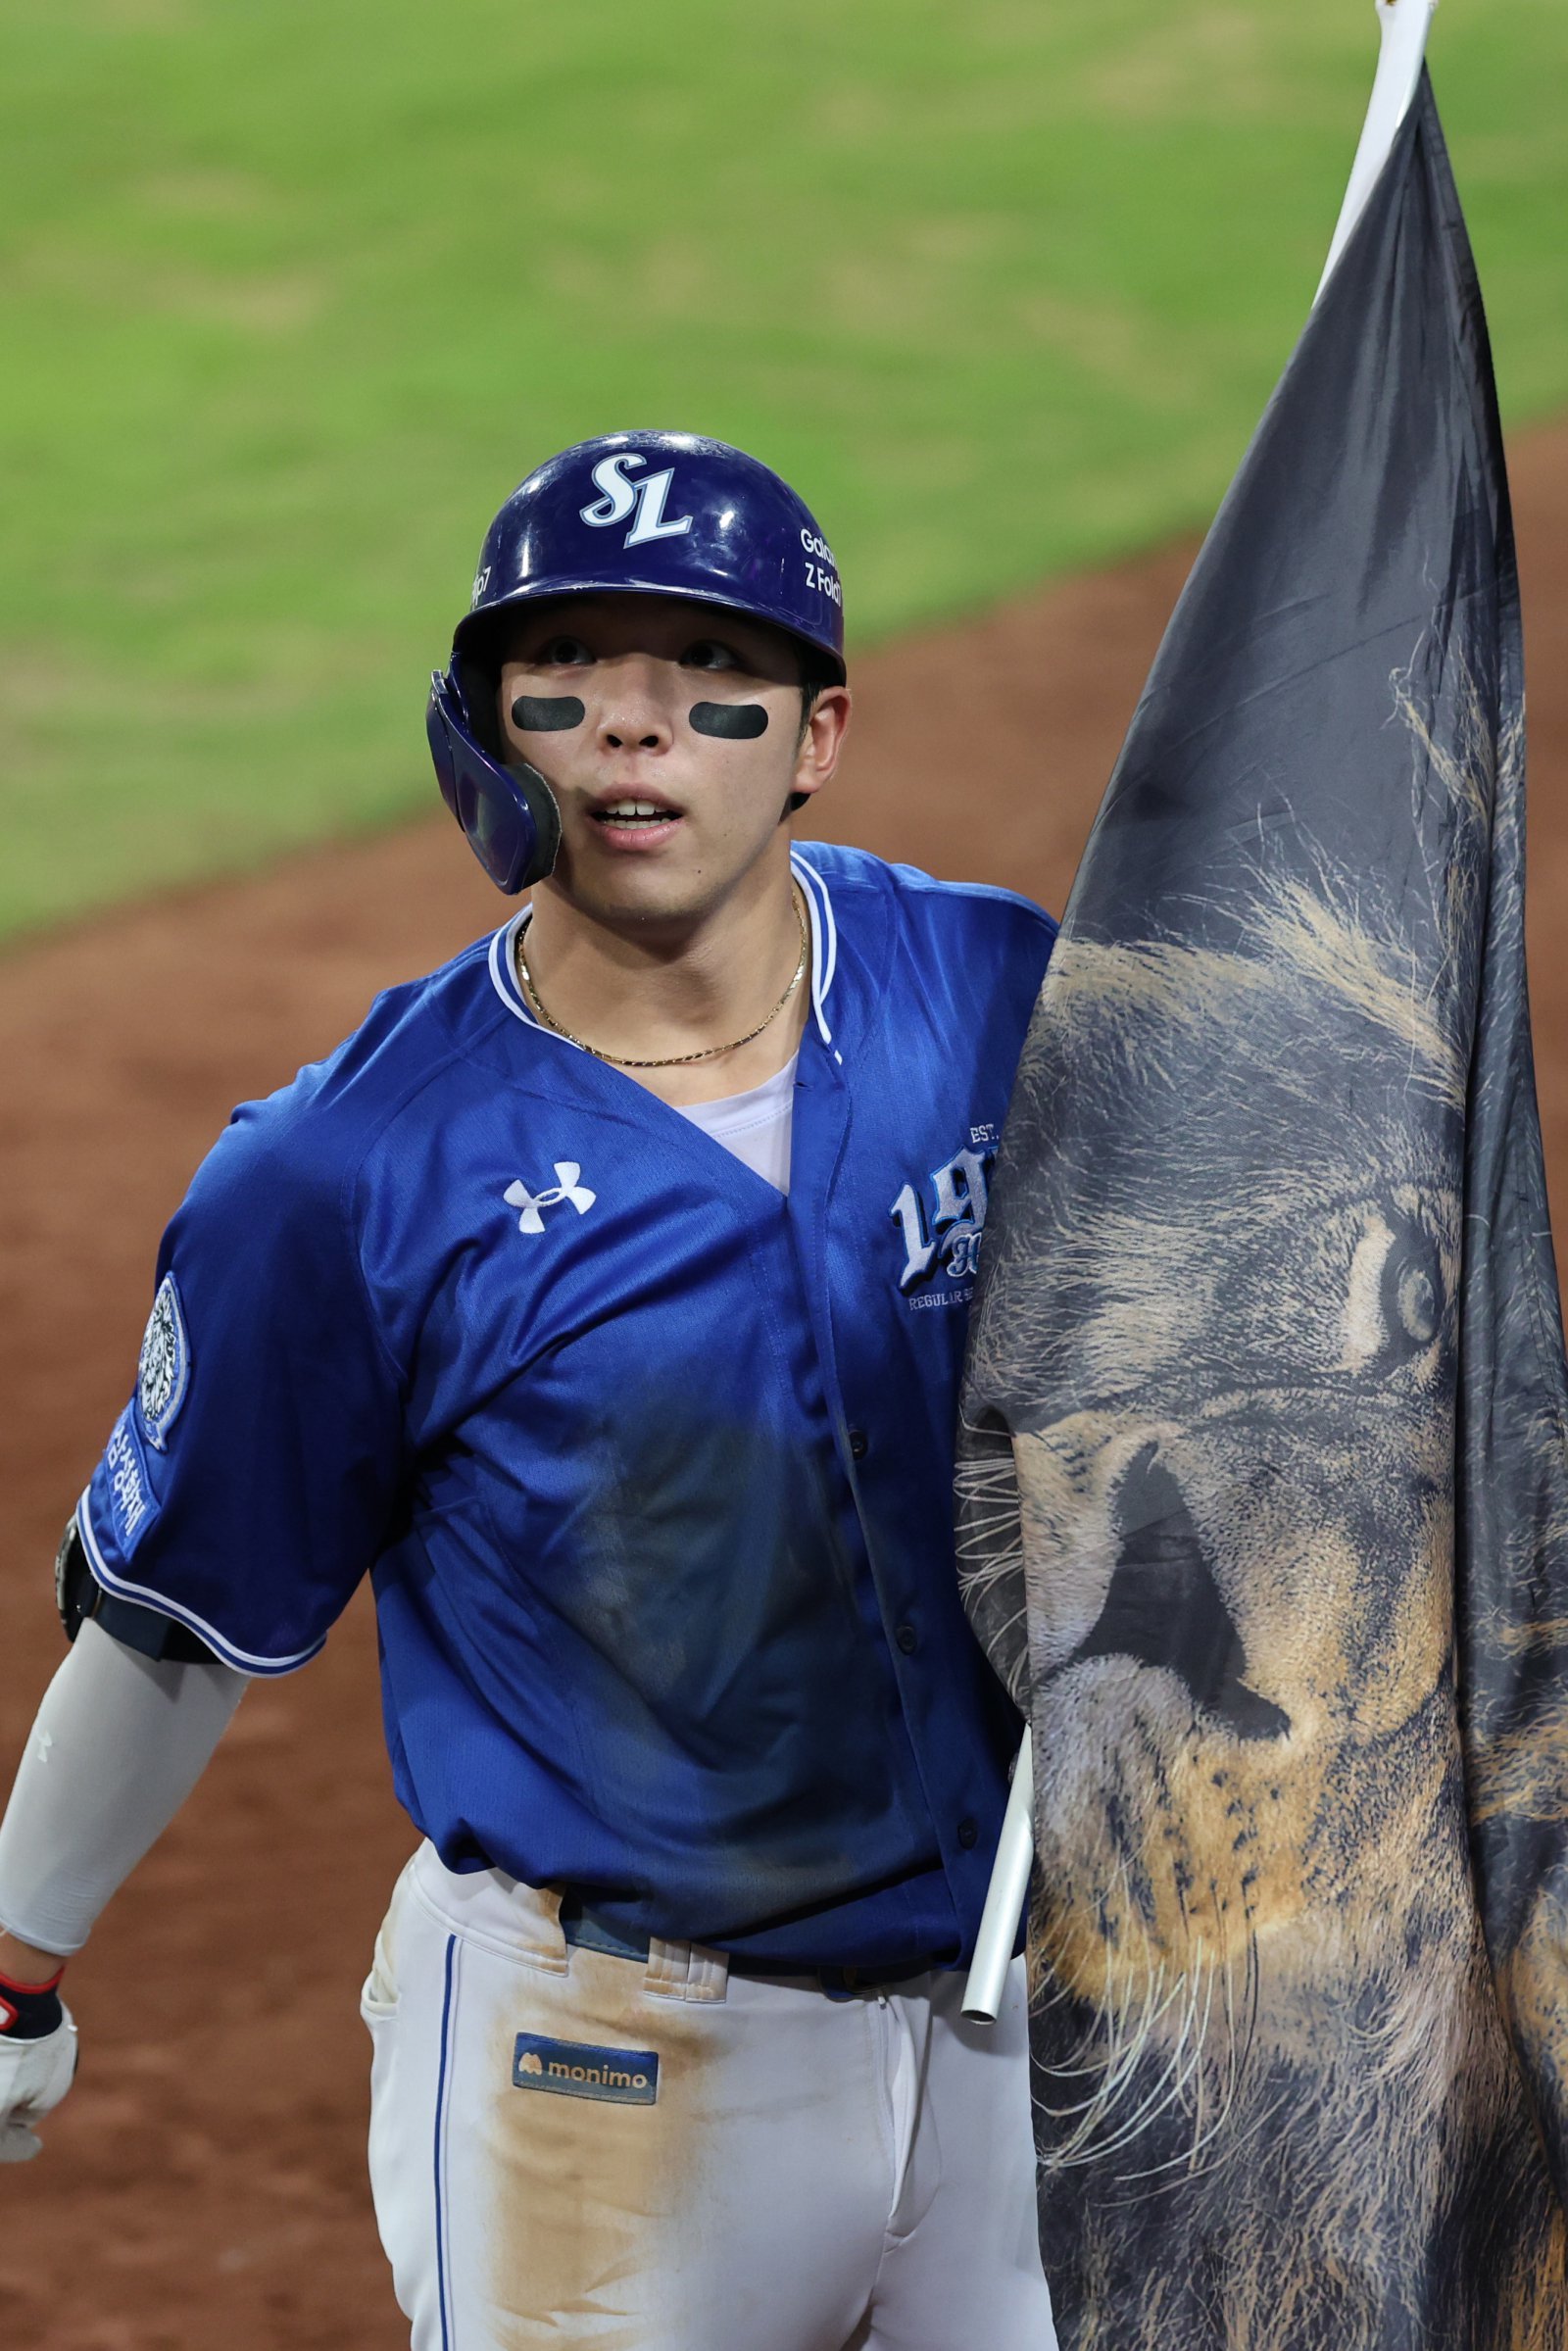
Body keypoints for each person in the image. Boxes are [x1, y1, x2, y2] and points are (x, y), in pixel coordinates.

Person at [0, 431, 1057, 2350]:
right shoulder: (344, 1176)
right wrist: (14, 1967)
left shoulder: (1003, 997)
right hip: (613, 2071)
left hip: (1032, 2021)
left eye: (705, 687)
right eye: (568, 682)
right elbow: (181, 1619)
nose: (636, 734)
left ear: (813, 735)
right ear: (487, 735)